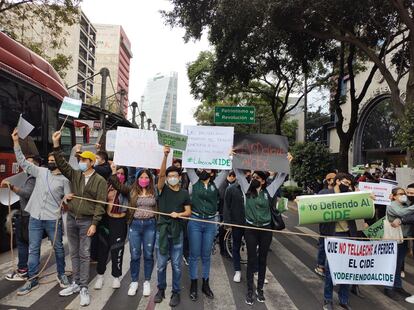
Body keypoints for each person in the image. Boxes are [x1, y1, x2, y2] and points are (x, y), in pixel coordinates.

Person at [10, 129, 71, 295]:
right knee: (33, 249)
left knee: (58, 248)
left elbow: (67, 202)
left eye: (53, 160)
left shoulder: (65, 180)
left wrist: (66, 200)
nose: (51, 162)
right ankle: (32, 279)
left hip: (53, 219)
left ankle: (61, 274)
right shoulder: (41, 171)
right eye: (49, 160)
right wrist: (16, 142)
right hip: (35, 217)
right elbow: (23, 162)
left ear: (59, 161)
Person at [52, 131, 107, 307]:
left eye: (84, 160)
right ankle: (76, 283)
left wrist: (94, 223)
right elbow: (61, 164)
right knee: (74, 253)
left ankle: (84, 287)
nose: (81, 162)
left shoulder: (99, 181)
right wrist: (56, 145)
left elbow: (100, 203)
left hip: (86, 221)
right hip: (72, 219)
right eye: (80, 160)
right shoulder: (75, 175)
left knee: (85, 254)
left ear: (91, 162)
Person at [234, 168, 287, 306]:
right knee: (251, 260)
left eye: (257, 178)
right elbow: (239, 174)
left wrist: (287, 163)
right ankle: (250, 290)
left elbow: (280, 178)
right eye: (253, 177)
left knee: (262, 260)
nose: (254, 179)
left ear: (263, 181)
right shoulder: (247, 189)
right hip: (250, 230)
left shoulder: (268, 191)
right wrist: (233, 156)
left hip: (266, 230)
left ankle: (260, 289)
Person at [107, 166, 157, 297]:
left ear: (150, 179)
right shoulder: (131, 190)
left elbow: (162, 177)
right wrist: (113, 172)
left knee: (148, 255)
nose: (144, 179)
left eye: (146, 177)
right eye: (141, 177)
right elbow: (117, 185)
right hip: (135, 226)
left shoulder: (155, 190)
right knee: (135, 255)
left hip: (150, 226)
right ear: (137, 178)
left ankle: (146, 281)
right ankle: (134, 281)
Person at [154, 146, 191, 307]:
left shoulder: (184, 193)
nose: (171, 178)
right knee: (161, 265)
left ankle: (176, 292)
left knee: (176, 265)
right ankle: (161, 289)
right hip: (162, 231)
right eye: (169, 176)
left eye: (174, 175)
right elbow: (161, 174)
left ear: (180, 177)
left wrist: (179, 214)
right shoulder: (162, 189)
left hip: (177, 233)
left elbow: (188, 211)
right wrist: (165, 156)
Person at [186, 168, 227, 301]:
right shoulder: (195, 181)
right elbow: (188, 165)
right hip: (195, 222)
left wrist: (230, 155)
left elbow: (226, 170)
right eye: (202, 168)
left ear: (212, 172)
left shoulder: (216, 183)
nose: (204, 170)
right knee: (194, 255)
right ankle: (193, 283)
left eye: (207, 168)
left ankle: (205, 284)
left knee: (206, 255)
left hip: (210, 223)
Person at [319, 173, 357, 310]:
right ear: (337, 182)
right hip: (332, 235)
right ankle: (327, 300)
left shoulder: (352, 195)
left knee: (347, 270)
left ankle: (343, 299)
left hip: (348, 235)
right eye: (346, 183)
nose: (348, 186)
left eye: (349, 184)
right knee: (331, 270)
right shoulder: (324, 194)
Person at [2, 155, 39, 281]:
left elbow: (26, 193)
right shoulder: (28, 177)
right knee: (24, 242)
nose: (25, 165)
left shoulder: (33, 178)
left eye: (28, 163)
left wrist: (11, 187)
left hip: (29, 216)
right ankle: (24, 269)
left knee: (28, 243)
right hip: (25, 215)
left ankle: (27, 271)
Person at [93, 166, 129, 291]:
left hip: (119, 222)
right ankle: (100, 276)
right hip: (106, 221)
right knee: (102, 249)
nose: (119, 175)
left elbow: (120, 187)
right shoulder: (107, 186)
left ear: (125, 176)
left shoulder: (127, 188)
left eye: (121, 173)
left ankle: (116, 277)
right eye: (117, 173)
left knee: (117, 250)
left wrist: (113, 174)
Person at [382, 187, 413, 301]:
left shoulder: (406, 205)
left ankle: (398, 286)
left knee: (399, 264)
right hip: (394, 238)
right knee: (392, 263)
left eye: (404, 193)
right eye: (400, 194)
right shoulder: (391, 206)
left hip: (403, 238)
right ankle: (388, 287)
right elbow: (402, 213)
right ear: (394, 196)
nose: (404, 195)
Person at [223, 170, 250, 283]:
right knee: (236, 247)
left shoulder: (251, 188)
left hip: (250, 224)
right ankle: (237, 271)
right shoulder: (231, 189)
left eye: (246, 173)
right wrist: (228, 223)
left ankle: (255, 271)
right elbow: (227, 206)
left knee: (252, 248)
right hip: (237, 223)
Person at [314, 172, 336, 277]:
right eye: (334, 179)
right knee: (323, 245)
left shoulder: (340, 192)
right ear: (328, 181)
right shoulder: (323, 192)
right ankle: (320, 266)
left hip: (336, 226)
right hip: (326, 225)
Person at [218, 171, 236, 258]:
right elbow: (221, 196)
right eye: (230, 175)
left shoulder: (235, 185)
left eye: (233, 176)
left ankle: (229, 249)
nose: (232, 177)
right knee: (223, 232)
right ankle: (222, 249)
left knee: (230, 232)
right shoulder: (223, 184)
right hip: (223, 212)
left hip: (232, 212)